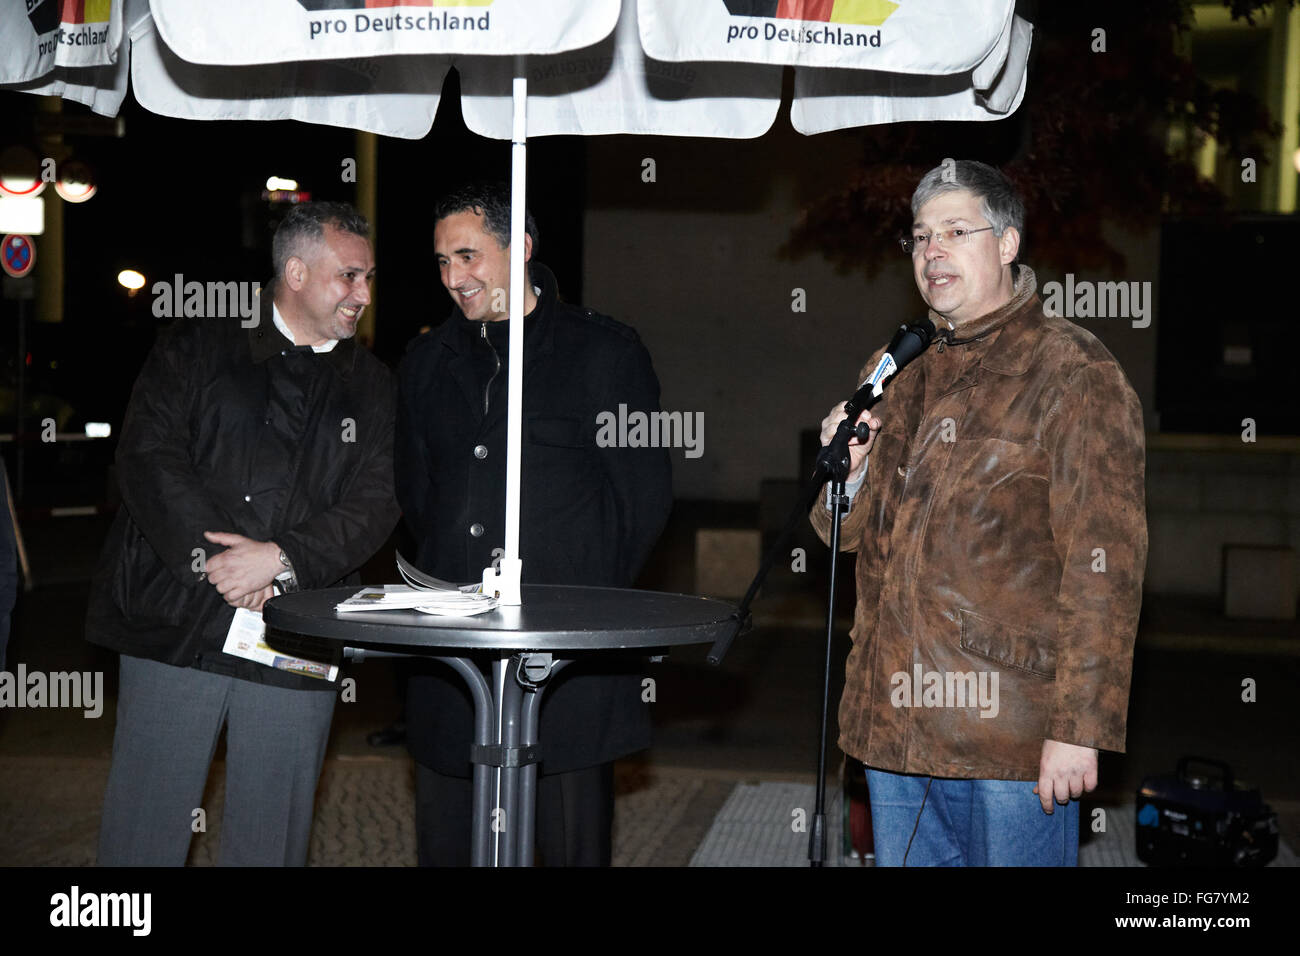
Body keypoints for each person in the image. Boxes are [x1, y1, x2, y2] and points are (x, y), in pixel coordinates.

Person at [811, 160, 1147, 866]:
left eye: (955, 231)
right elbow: (837, 533)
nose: (932, 251)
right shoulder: (896, 368)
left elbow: (1104, 568)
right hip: (892, 723)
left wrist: (1079, 728)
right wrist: (853, 470)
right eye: (920, 236)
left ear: (1007, 243)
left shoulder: (1074, 372)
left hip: (1009, 736)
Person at [88, 201, 398, 866]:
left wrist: (283, 561)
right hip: (175, 620)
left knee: (272, 834)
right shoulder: (199, 342)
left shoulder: (373, 387)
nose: (363, 294)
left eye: (369, 278)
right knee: (145, 826)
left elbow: (377, 500)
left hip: (295, 628)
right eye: (349, 276)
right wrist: (212, 562)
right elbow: (147, 455)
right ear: (294, 270)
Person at [396, 182, 672, 866]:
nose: (454, 278)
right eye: (441, 262)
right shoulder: (426, 363)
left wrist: (581, 606)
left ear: (518, 248)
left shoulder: (604, 352)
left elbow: (643, 502)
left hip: (567, 663)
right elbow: (417, 496)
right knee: (448, 844)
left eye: (468, 256)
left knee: (570, 844)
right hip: (453, 661)